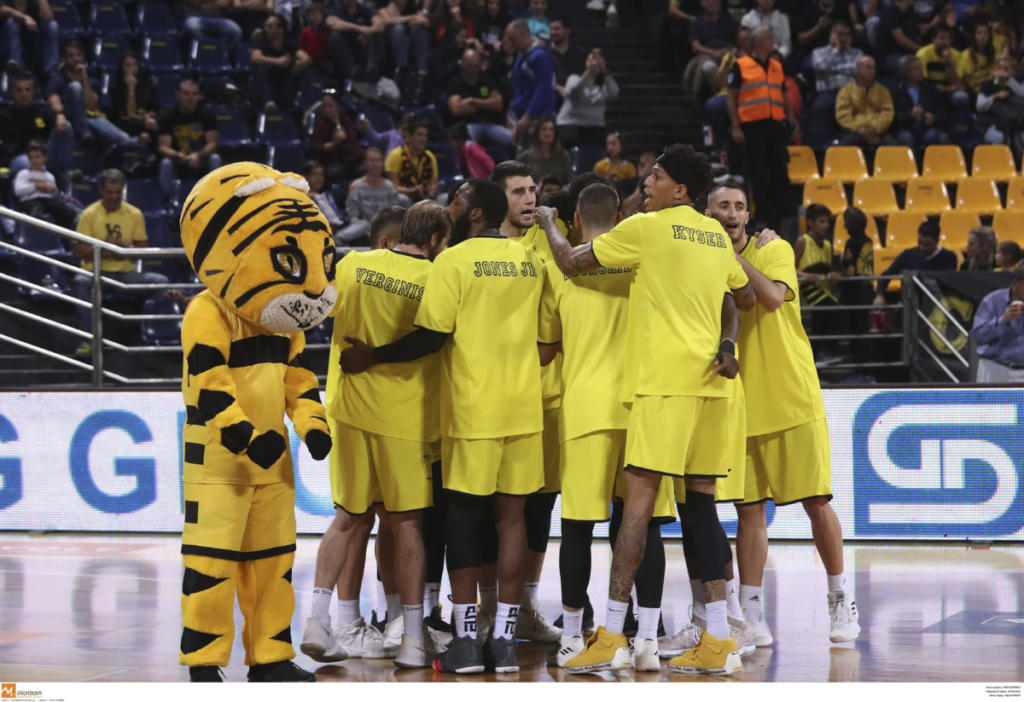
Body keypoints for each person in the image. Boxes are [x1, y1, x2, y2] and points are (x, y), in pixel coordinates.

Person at [537, 143, 754, 676]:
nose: (645, 186)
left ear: (679, 189)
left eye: (654, 177)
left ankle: (610, 634)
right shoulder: (713, 233)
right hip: (714, 388)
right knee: (700, 510)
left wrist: (547, 221)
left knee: (635, 509)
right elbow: (739, 299)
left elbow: (569, 262)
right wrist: (728, 346)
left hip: (665, 386)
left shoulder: (646, 227)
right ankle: (720, 638)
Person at [340, 178, 557, 675]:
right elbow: (548, 345)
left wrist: (372, 355)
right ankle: (503, 641)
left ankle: (464, 641)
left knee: (462, 519)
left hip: (470, 411)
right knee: (511, 522)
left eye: (460, 206)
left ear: (475, 214)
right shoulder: (533, 262)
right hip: (523, 410)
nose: (452, 212)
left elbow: (431, 337)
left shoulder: (452, 262)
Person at [702, 181, 860, 649]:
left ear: (748, 216)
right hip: (741, 403)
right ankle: (751, 614)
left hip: (791, 396)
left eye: (739, 206)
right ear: (706, 214)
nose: (732, 213)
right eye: (723, 207)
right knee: (748, 513)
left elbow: (770, 297)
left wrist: (734, 258)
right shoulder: (700, 258)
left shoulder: (773, 248)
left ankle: (839, 598)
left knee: (817, 503)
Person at [302, 200, 450, 670]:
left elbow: (316, 304)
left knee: (347, 517)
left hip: (346, 410)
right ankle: (410, 637)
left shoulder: (354, 263)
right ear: (433, 242)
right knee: (405, 524)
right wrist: (378, 356)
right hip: (403, 418)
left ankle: (317, 621)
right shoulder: (434, 278)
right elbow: (431, 339)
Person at [544, 182, 677, 671]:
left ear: (575, 220)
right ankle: (646, 640)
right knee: (645, 524)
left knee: (578, 528)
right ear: (620, 217)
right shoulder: (647, 262)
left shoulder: (559, 270)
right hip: (643, 407)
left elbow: (544, 346)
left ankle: (573, 637)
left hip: (584, 410)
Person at [70, 169, 168, 357]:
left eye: (118, 192)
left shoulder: (134, 213)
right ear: (101, 191)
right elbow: (79, 251)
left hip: (126, 274)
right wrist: (106, 246)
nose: (114, 197)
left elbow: (142, 250)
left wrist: (125, 248)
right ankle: (87, 341)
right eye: (110, 193)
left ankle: (152, 335)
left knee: (161, 280)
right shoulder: (89, 214)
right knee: (80, 281)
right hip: (97, 273)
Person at [726, 27, 797, 231]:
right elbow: (731, 97)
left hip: (776, 125)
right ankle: (763, 215)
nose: (772, 40)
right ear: (757, 42)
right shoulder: (741, 65)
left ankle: (780, 216)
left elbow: (782, 94)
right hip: (753, 127)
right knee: (759, 174)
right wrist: (736, 127)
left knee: (780, 171)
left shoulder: (776, 65)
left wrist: (792, 117)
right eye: (768, 37)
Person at [47, 40, 131, 148]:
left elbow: (92, 107)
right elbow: (54, 102)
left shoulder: (91, 81)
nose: (76, 59)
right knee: (75, 87)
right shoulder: (58, 79)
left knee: (124, 139)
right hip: (68, 116)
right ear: (64, 59)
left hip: (88, 117)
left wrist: (85, 79)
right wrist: (61, 114)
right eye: (71, 56)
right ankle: (83, 133)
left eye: (79, 55)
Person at [156, 78, 222, 199]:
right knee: (165, 163)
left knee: (215, 158)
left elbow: (212, 144)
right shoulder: (168, 115)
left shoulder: (207, 114)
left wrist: (198, 155)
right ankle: (166, 202)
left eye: (195, 94)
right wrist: (177, 155)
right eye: (186, 93)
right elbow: (163, 147)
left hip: (201, 159)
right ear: (178, 95)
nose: (191, 98)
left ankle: (216, 198)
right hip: (179, 159)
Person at [0, 73, 73, 177]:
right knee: (28, 163)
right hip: (20, 159)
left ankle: (66, 172)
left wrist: (60, 116)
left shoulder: (42, 110)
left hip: (44, 156)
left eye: (27, 90)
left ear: (33, 92)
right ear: (13, 93)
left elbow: (56, 116)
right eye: (19, 90)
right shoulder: (4, 116)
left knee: (67, 127)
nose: (24, 93)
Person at [873, 220, 957, 305]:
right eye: (920, 242)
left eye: (927, 244)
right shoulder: (907, 255)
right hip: (911, 305)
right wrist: (880, 295)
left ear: (937, 241)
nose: (922, 248)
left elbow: (950, 285)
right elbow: (886, 276)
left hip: (937, 305)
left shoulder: (949, 257)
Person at [806, 20, 861, 147]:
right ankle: (822, 149)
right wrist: (835, 50)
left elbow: (857, 69)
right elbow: (820, 67)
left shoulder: (857, 53)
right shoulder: (819, 52)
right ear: (832, 35)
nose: (843, 38)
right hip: (828, 92)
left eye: (847, 35)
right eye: (840, 34)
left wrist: (831, 70)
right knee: (820, 107)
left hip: (850, 94)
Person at [445, 47, 512, 147]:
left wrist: (472, 101)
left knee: (512, 139)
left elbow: (498, 105)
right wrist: (486, 104)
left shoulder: (488, 81)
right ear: (462, 64)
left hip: (490, 125)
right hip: (467, 126)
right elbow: (457, 109)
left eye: (475, 66)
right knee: (468, 145)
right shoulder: (455, 83)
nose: (472, 70)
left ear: (480, 65)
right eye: (469, 66)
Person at [556, 48, 619, 149]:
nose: (594, 64)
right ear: (585, 63)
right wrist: (588, 72)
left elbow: (614, 94)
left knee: (599, 142)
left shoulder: (603, 85)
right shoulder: (574, 78)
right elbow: (572, 90)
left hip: (595, 126)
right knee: (570, 138)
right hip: (571, 123)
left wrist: (605, 71)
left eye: (598, 62)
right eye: (590, 60)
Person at [341, 147, 407, 244]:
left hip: (386, 233)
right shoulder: (356, 187)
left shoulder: (390, 187)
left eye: (379, 160)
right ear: (365, 163)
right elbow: (353, 217)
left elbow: (393, 216)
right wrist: (367, 233)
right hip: (362, 233)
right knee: (362, 225)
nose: (376, 164)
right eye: (372, 161)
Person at [506, 18, 556, 144]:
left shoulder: (540, 56)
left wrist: (528, 116)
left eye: (512, 39)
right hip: (521, 118)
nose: (509, 43)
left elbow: (543, 88)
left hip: (538, 119)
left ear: (524, 35)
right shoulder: (521, 56)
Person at [12, 140, 82, 230]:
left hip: (48, 200)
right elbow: (18, 190)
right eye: (31, 157)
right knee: (35, 208)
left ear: (44, 158)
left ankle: (72, 224)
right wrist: (36, 186)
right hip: (30, 200)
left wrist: (53, 190)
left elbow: (55, 194)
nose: (34, 160)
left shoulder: (49, 176)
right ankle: (36, 228)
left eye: (38, 157)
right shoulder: (23, 174)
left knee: (60, 206)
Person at [250, 13, 311, 111]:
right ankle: (268, 102)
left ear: (280, 30)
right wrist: (277, 61)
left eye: (270, 27)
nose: (266, 29)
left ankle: (307, 105)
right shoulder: (263, 41)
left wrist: (299, 63)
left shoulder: (289, 43)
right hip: (266, 88)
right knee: (260, 67)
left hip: (285, 87)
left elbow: (306, 58)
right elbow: (254, 57)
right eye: (265, 26)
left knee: (304, 69)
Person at [971, 269, 1024, 383]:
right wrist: (1003, 320)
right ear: (1015, 283)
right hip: (994, 368)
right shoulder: (992, 300)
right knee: (989, 401)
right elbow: (978, 336)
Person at [835, 55, 896, 149]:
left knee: (895, 149)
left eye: (873, 68)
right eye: (868, 67)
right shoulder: (846, 90)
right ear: (858, 69)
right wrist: (860, 129)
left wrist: (874, 128)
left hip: (878, 131)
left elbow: (887, 113)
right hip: (855, 131)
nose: (872, 71)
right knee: (842, 148)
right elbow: (843, 115)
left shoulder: (883, 90)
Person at [892, 55, 951, 149]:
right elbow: (893, 118)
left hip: (926, 128)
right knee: (906, 137)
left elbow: (943, 113)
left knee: (937, 136)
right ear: (907, 73)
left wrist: (934, 118)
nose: (921, 72)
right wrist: (910, 115)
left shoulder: (930, 89)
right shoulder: (897, 91)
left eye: (921, 68)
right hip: (907, 128)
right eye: (916, 69)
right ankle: (911, 163)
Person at [838, 206, 874, 355]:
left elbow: (850, 271)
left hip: (855, 293)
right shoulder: (868, 241)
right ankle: (865, 369)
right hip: (867, 290)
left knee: (856, 332)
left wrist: (837, 276)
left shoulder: (851, 242)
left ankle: (859, 368)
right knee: (864, 330)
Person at [310, 89, 365, 183]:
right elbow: (317, 147)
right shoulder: (320, 123)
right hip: (334, 160)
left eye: (330, 106)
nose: (327, 109)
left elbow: (353, 138)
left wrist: (362, 130)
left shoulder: (345, 119)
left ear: (337, 106)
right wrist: (333, 143)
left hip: (353, 158)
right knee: (334, 173)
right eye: (324, 106)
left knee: (370, 167)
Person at [687, 0, 738, 97]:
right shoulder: (697, 22)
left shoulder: (728, 20)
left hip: (727, 53)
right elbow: (695, 46)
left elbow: (736, 41)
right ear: (702, 3)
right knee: (708, 67)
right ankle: (722, 94)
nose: (714, 2)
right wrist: (713, 53)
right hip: (707, 54)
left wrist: (733, 51)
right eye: (709, 1)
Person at [108, 51, 160, 145]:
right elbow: (127, 114)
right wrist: (131, 89)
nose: (132, 68)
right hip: (125, 124)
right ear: (122, 68)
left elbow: (155, 109)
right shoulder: (116, 87)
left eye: (135, 65)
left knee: (153, 126)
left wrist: (143, 117)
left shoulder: (147, 84)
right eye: (128, 65)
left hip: (145, 122)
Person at [324, 0, 380, 81]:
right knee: (334, 36)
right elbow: (332, 23)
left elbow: (380, 22)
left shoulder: (363, 8)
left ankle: (372, 69)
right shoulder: (333, 6)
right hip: (343, 50)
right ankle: (353, 71)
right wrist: (359, 28)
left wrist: (369, 30)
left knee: (377, 33)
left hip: (362, 47)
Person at [385, 117, 439, 202]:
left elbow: (434, 184)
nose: (424, 139)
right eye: (419, 135)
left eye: (425, 135)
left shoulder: (430, 156)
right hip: (405, 197)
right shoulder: (395, 155)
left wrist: (432, 190)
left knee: (443, 197)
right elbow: (393, 188)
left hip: (424, 197)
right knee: (403, 199)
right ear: (409, 136)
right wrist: (412, 191)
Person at [977, 56, 1024, 150]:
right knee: (999, 138)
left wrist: (1009, 80)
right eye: (999, 68)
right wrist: (994, 96)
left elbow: (1022, 93)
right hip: (992, 125)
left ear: (1012, 72)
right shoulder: (988, 85)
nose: (1002, 72)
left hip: (1016, 127)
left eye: (1006, 69)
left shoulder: (1016, 86)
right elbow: (980, 106)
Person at [1, 0, 58, 75]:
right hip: (7, 38)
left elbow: (49, 17)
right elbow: (2, 9)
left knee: (52, 25)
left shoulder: (33, 3)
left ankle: (52, 69)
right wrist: (25, 17)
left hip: (32, 36)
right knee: (11, 22)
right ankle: (16, 64)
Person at [518, 116, 573, 186]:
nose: (548, 133)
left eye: (551, 129)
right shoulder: (525, 157)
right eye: (544, 129)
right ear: (537, 133)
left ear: (555, 134)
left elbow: (571, 182)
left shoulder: (564, 155)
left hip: (559, 194)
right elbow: (517, 180)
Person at [304, 160, 344, 233]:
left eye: (321, 174)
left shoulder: (326, 196)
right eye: (314, 174)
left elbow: (337, 222)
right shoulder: (298, 197)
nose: (318, 178)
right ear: (306, 177)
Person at [548, 15, 587, 89]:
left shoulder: (579, 53)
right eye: (551, 29)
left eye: (556, 29)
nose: (552, 32)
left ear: (567, 31)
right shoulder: (544, 53)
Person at [957, 21, 996, 93]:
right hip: (973, 92)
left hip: (990, 90)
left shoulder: (992, 54)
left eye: (986, 33)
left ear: (989, 36)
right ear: (974, 36)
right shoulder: (966, 55)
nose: (983, 36)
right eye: (979, 33)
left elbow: (993, 77)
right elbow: (967, 81)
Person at [621, 149, 656, 216]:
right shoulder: (626, 184)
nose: (648, 169)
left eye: (653, 166)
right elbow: (622, 210)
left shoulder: (660, 188)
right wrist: (640, 188)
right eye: (642, 165)